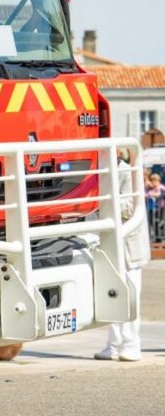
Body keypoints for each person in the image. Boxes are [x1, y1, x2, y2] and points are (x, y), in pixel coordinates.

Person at [94, 149, 152, 362]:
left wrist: (100, 202)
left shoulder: (126, 172)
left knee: (130, 296)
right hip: (113, 244)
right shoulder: (106, 172)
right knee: (113, 294)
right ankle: (114, 344)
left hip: (129, 245)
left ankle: (131, 343)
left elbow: (129, 206)